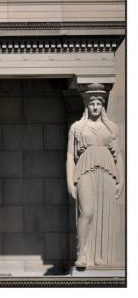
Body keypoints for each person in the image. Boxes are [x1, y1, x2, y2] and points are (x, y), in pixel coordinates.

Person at [66, 83, 124, 268]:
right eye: (92, 103)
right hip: (84, 170)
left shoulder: (112, 128)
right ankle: (81, 252)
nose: (96, 107)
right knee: (88, 212)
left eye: (99, 103)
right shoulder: (77, 128)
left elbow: (118, 156)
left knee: (103, 213)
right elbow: (70, 156)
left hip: (107, 172)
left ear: (103, 105)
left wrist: (121, 180)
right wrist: (69, 181)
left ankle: (99, 257)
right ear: (87, 105)